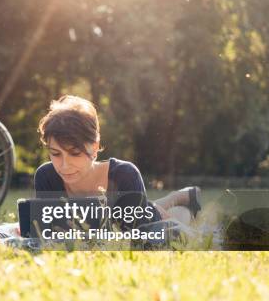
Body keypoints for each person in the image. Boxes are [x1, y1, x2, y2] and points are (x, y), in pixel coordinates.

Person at [34, 95, 201, 231]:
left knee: (179, 220)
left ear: (95, 148)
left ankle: (179, 199)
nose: (64, 165)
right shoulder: (46, 176)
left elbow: (141, 236)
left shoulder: (125, 175)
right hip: (131, 210)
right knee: (137, 207)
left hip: (152, 221)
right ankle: (177, 197)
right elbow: (48, 231)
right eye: (55, 154)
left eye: (75, 153)